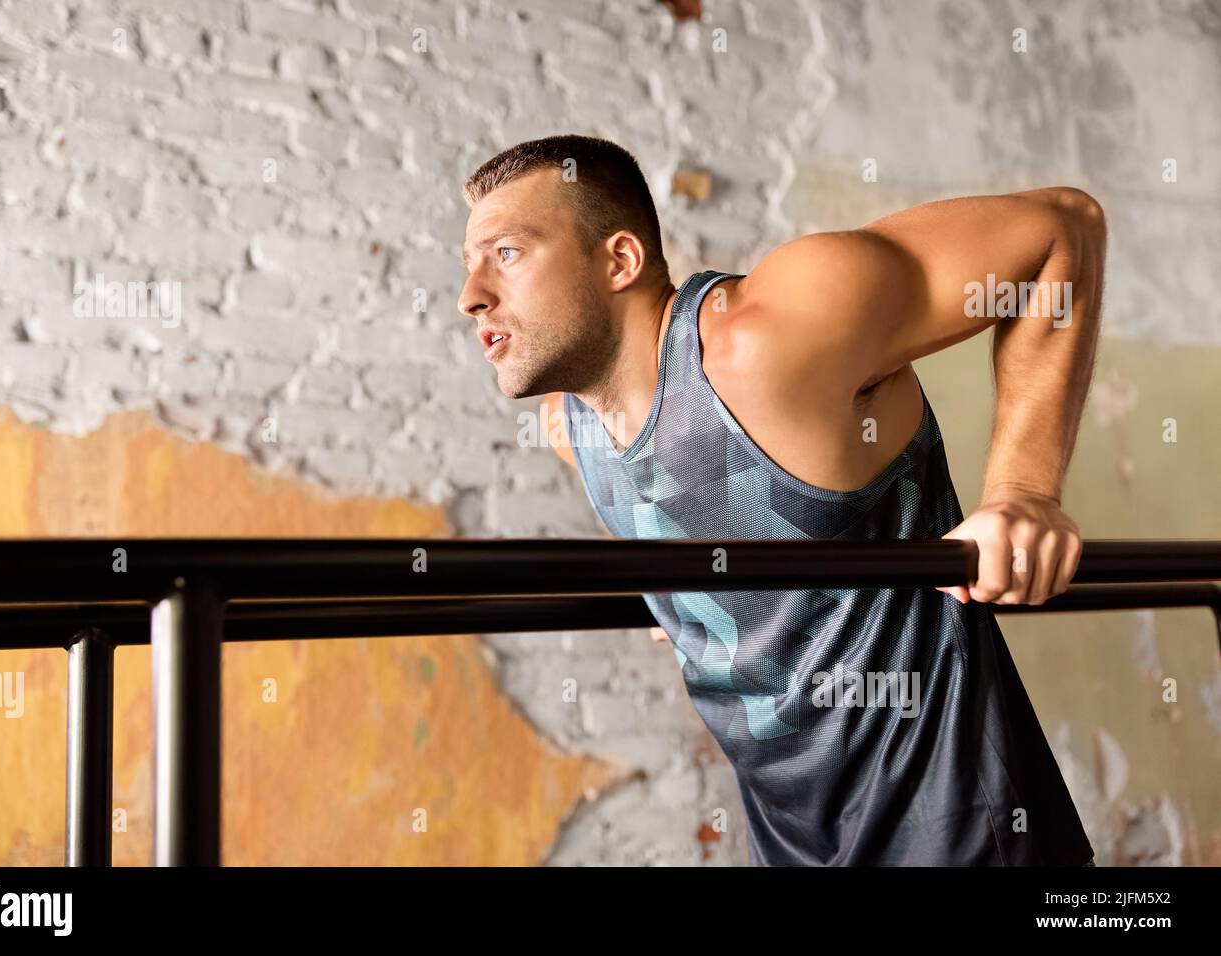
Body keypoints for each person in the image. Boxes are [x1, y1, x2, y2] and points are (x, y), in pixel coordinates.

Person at [457, 134, 1105, 866]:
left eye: (506, 253)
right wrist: (692, 598)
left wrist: (1023, 493)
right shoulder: (572, 430)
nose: (470, 295)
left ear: (620, 261)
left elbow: (1060, 228)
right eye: (470, 264)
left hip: (962, 833)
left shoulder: (773, 333)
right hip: (791, 844)